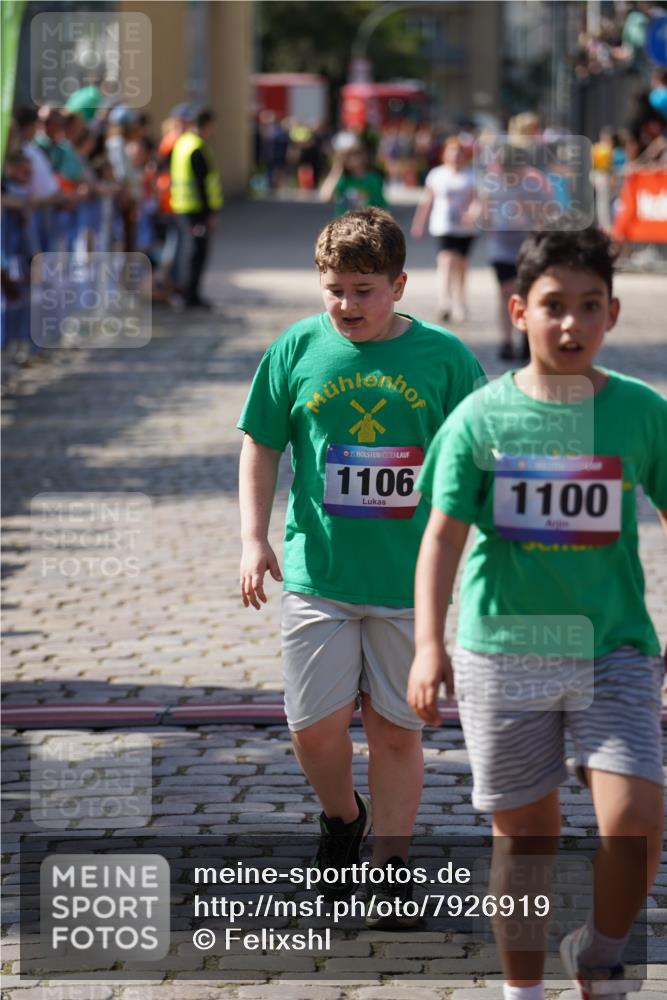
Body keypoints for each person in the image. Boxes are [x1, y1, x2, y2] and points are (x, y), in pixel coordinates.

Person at [407, 227, 666, 1000]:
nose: (571, 324)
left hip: (610, 646)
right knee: (526, 838)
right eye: (553, 306)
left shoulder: (641, 414)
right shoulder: (479, 421)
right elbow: (441, 537)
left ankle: (600, 951)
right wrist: (428, 645)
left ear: (612, 314)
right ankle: (522, 991)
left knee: (638, 815)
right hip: (503, 651)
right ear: (519, 311)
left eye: (589, 307)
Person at [237, 207, 485, 924]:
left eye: (364, 290)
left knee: (395, 731)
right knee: (312, 729)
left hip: (409, 585)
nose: (347, 305)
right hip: (320, 575)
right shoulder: (296, 349)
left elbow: (477, 455)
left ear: (399, 285)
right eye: (335, 289)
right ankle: (343, 820)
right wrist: (254, 537)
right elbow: (261, 442)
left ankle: (390, 865)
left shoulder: (444, 359)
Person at [411, 136, 477, 323]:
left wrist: (473, 212)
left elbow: (478, 200)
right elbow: (427, 200)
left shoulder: (472, 176)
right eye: (452, 153)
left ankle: (460, 301)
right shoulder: (436, 174)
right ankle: (444, 302)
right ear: (445, 155)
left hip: (466, 228)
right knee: (446, 261)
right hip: (443, 225)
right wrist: (419, 223)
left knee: (462, 266)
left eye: (459, 153)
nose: (456, 157)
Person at [170, 107, 223, 309]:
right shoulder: (197, 147)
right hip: (197, 210)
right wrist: (210, 214)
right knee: (197, 253)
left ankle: (187, 293)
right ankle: (191, 295)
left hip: (182, 207)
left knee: (187, 251)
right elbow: (202, 184)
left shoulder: (183, 143)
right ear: (207, 124)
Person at [319, 139, 386, 216]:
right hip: (343, 223)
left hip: (363, 224)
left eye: (356, 155)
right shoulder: (343, 179)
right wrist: (336, 170)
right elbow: (325, 196)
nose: (353, 159)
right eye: (348, 156)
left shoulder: (372, 179)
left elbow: (380, 207)